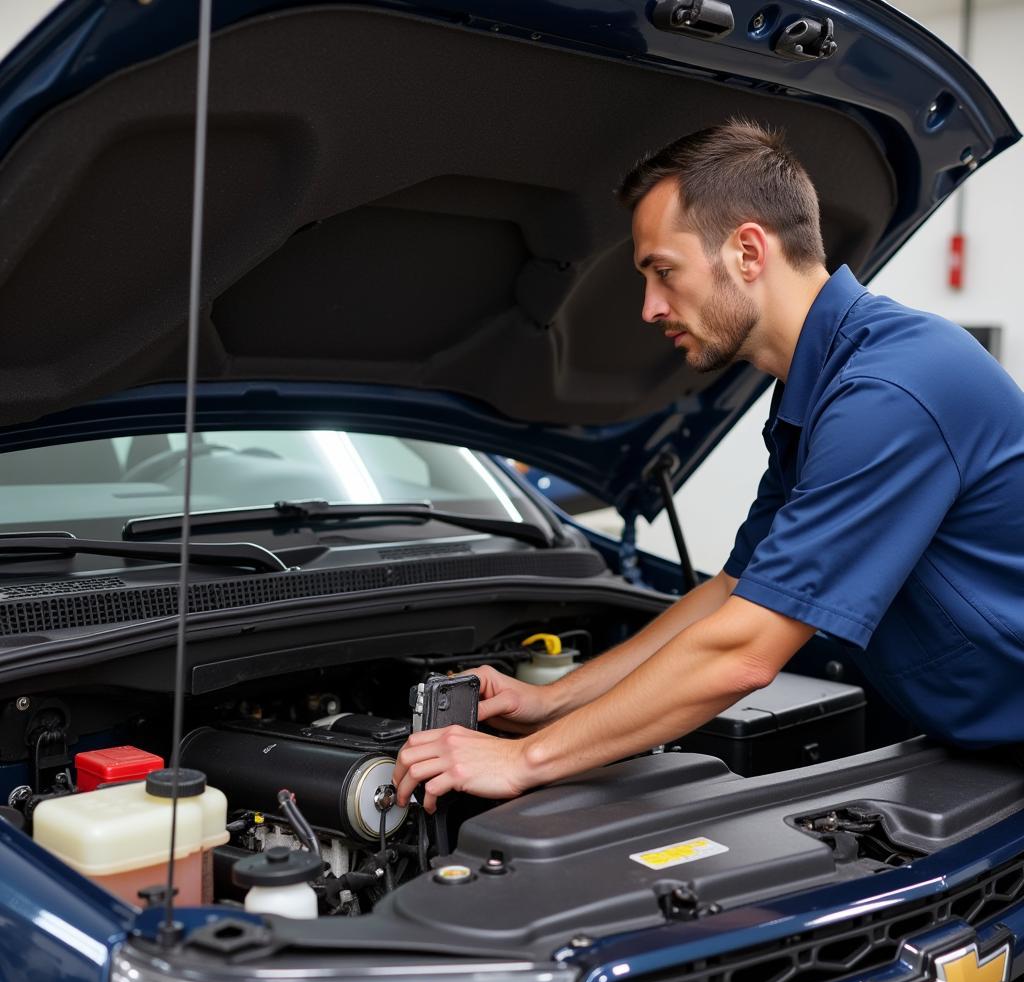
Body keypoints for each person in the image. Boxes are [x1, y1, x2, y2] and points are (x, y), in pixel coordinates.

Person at [393, 118, 1024, 813]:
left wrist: (522, 761)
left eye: (663, 270)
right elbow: (732, 590)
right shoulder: (819, 389)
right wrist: (549, 702)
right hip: (976, 748)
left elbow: (744, 651)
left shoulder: (887, 391)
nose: (650, 307)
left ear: (749, 250)